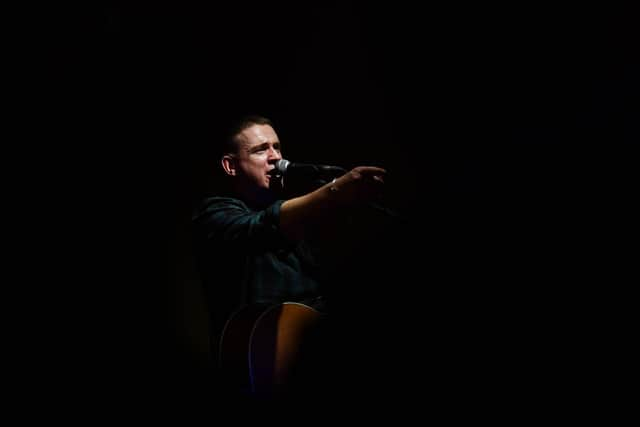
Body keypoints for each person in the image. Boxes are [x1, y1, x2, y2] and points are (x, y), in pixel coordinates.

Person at [191, 114, 390, 402]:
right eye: (261, 150)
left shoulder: (300, 216)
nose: (274, 157)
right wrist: (333, 192)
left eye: (278, 147)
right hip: (264, 371)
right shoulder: (212, 213)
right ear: (230, 165)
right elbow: (259, 229)